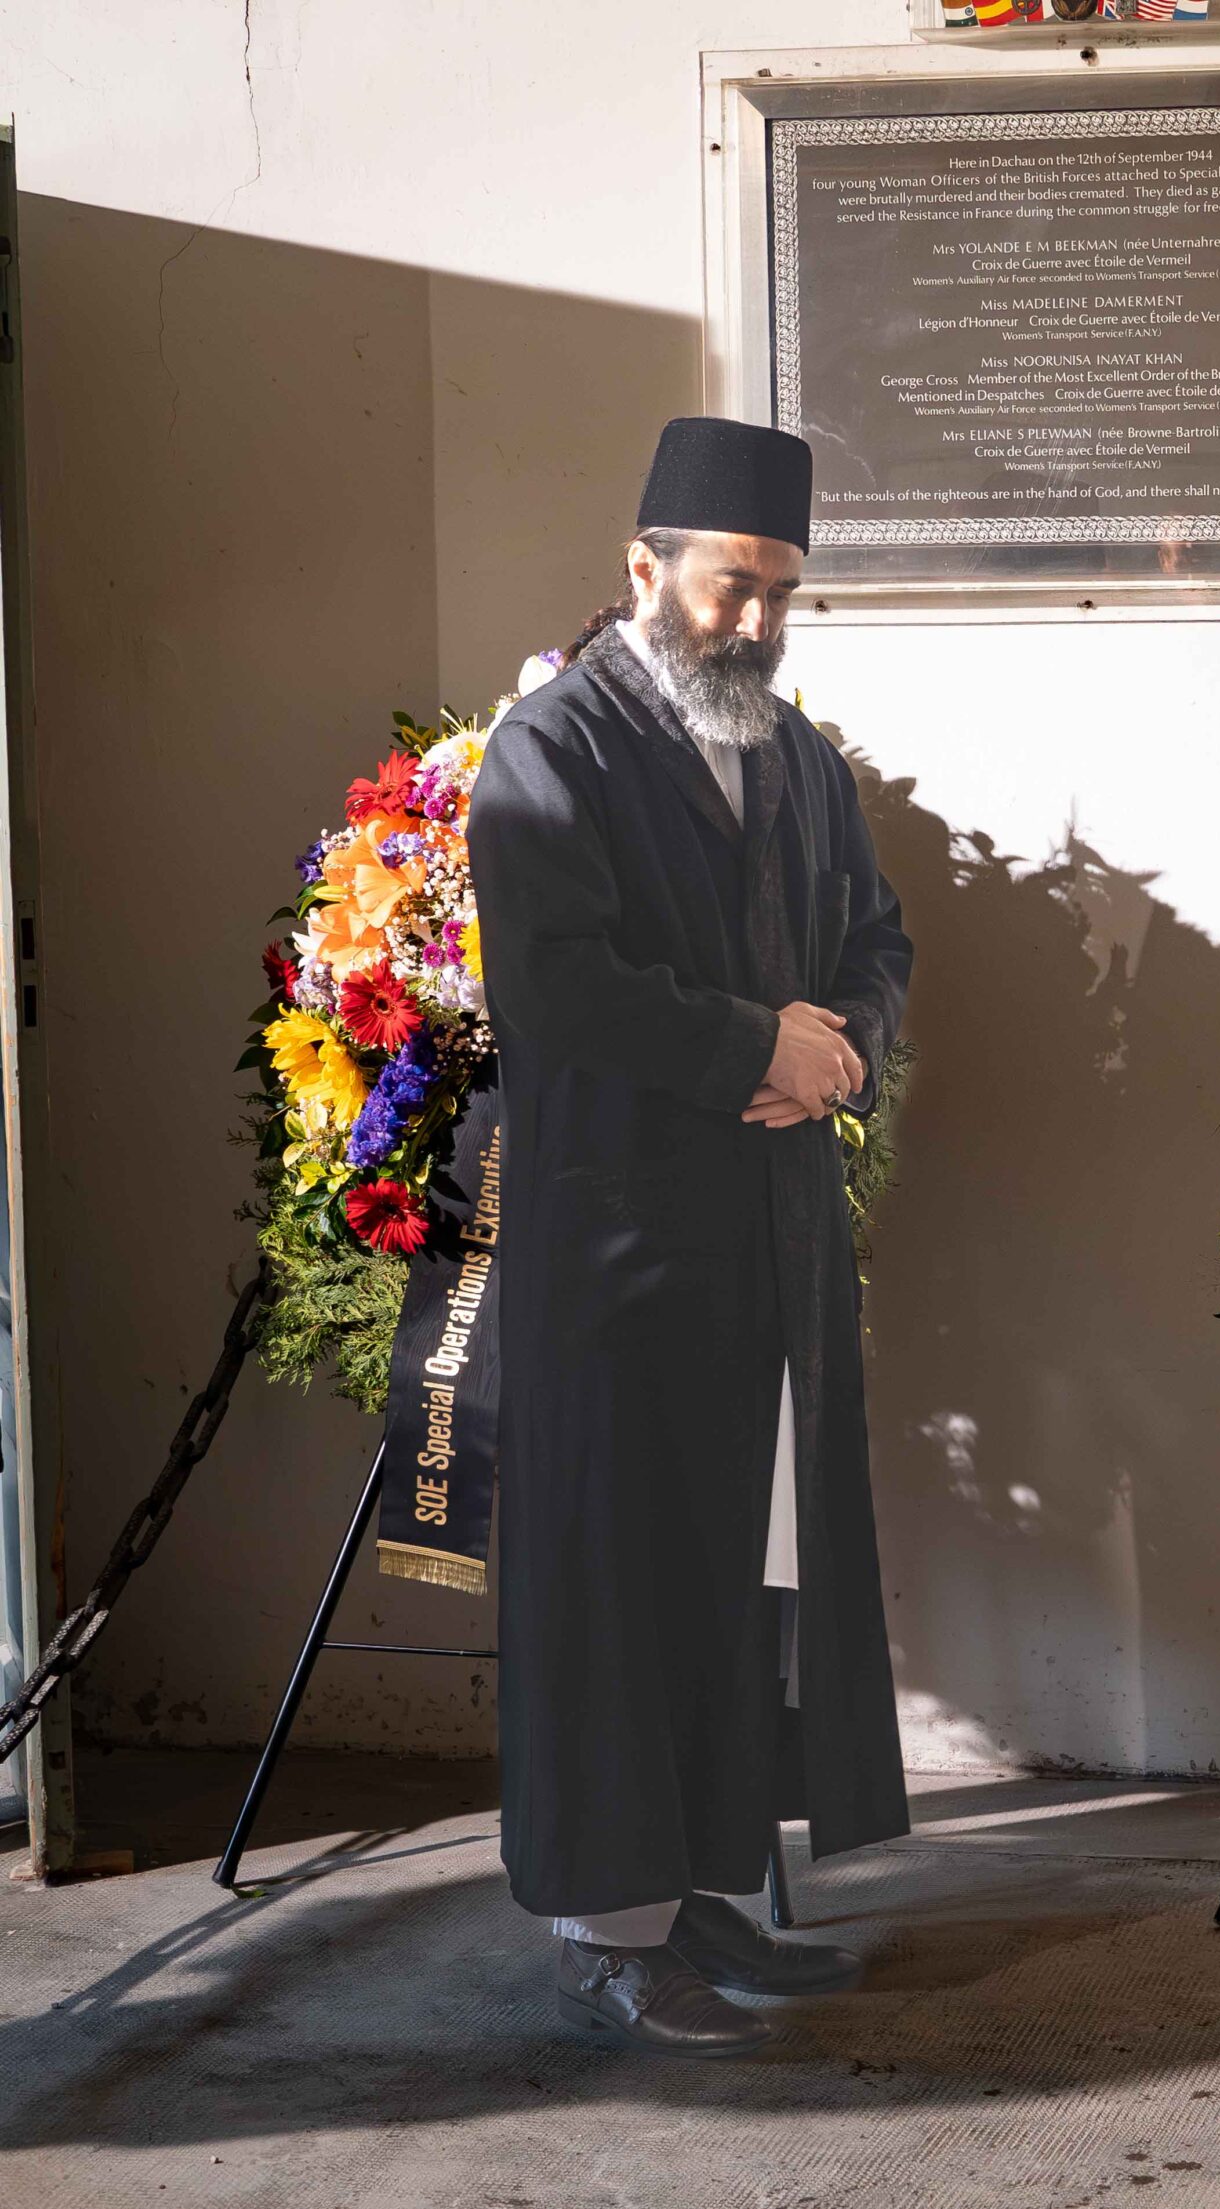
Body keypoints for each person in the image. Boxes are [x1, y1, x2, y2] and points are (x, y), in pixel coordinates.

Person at [469, 417, 914, 2056]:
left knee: (740, 1577)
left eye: (784, 595)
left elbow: (877, 933)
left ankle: (701, 1879)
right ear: (644, 568)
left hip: (766, 1248)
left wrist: (840, 1043)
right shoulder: (552, 752)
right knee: (619, 1581)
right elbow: (560, 988)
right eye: (733, 586)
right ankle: (604, 1929)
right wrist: (755, 1049)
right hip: (617, 1251)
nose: (756, 624)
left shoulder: (794, 757)